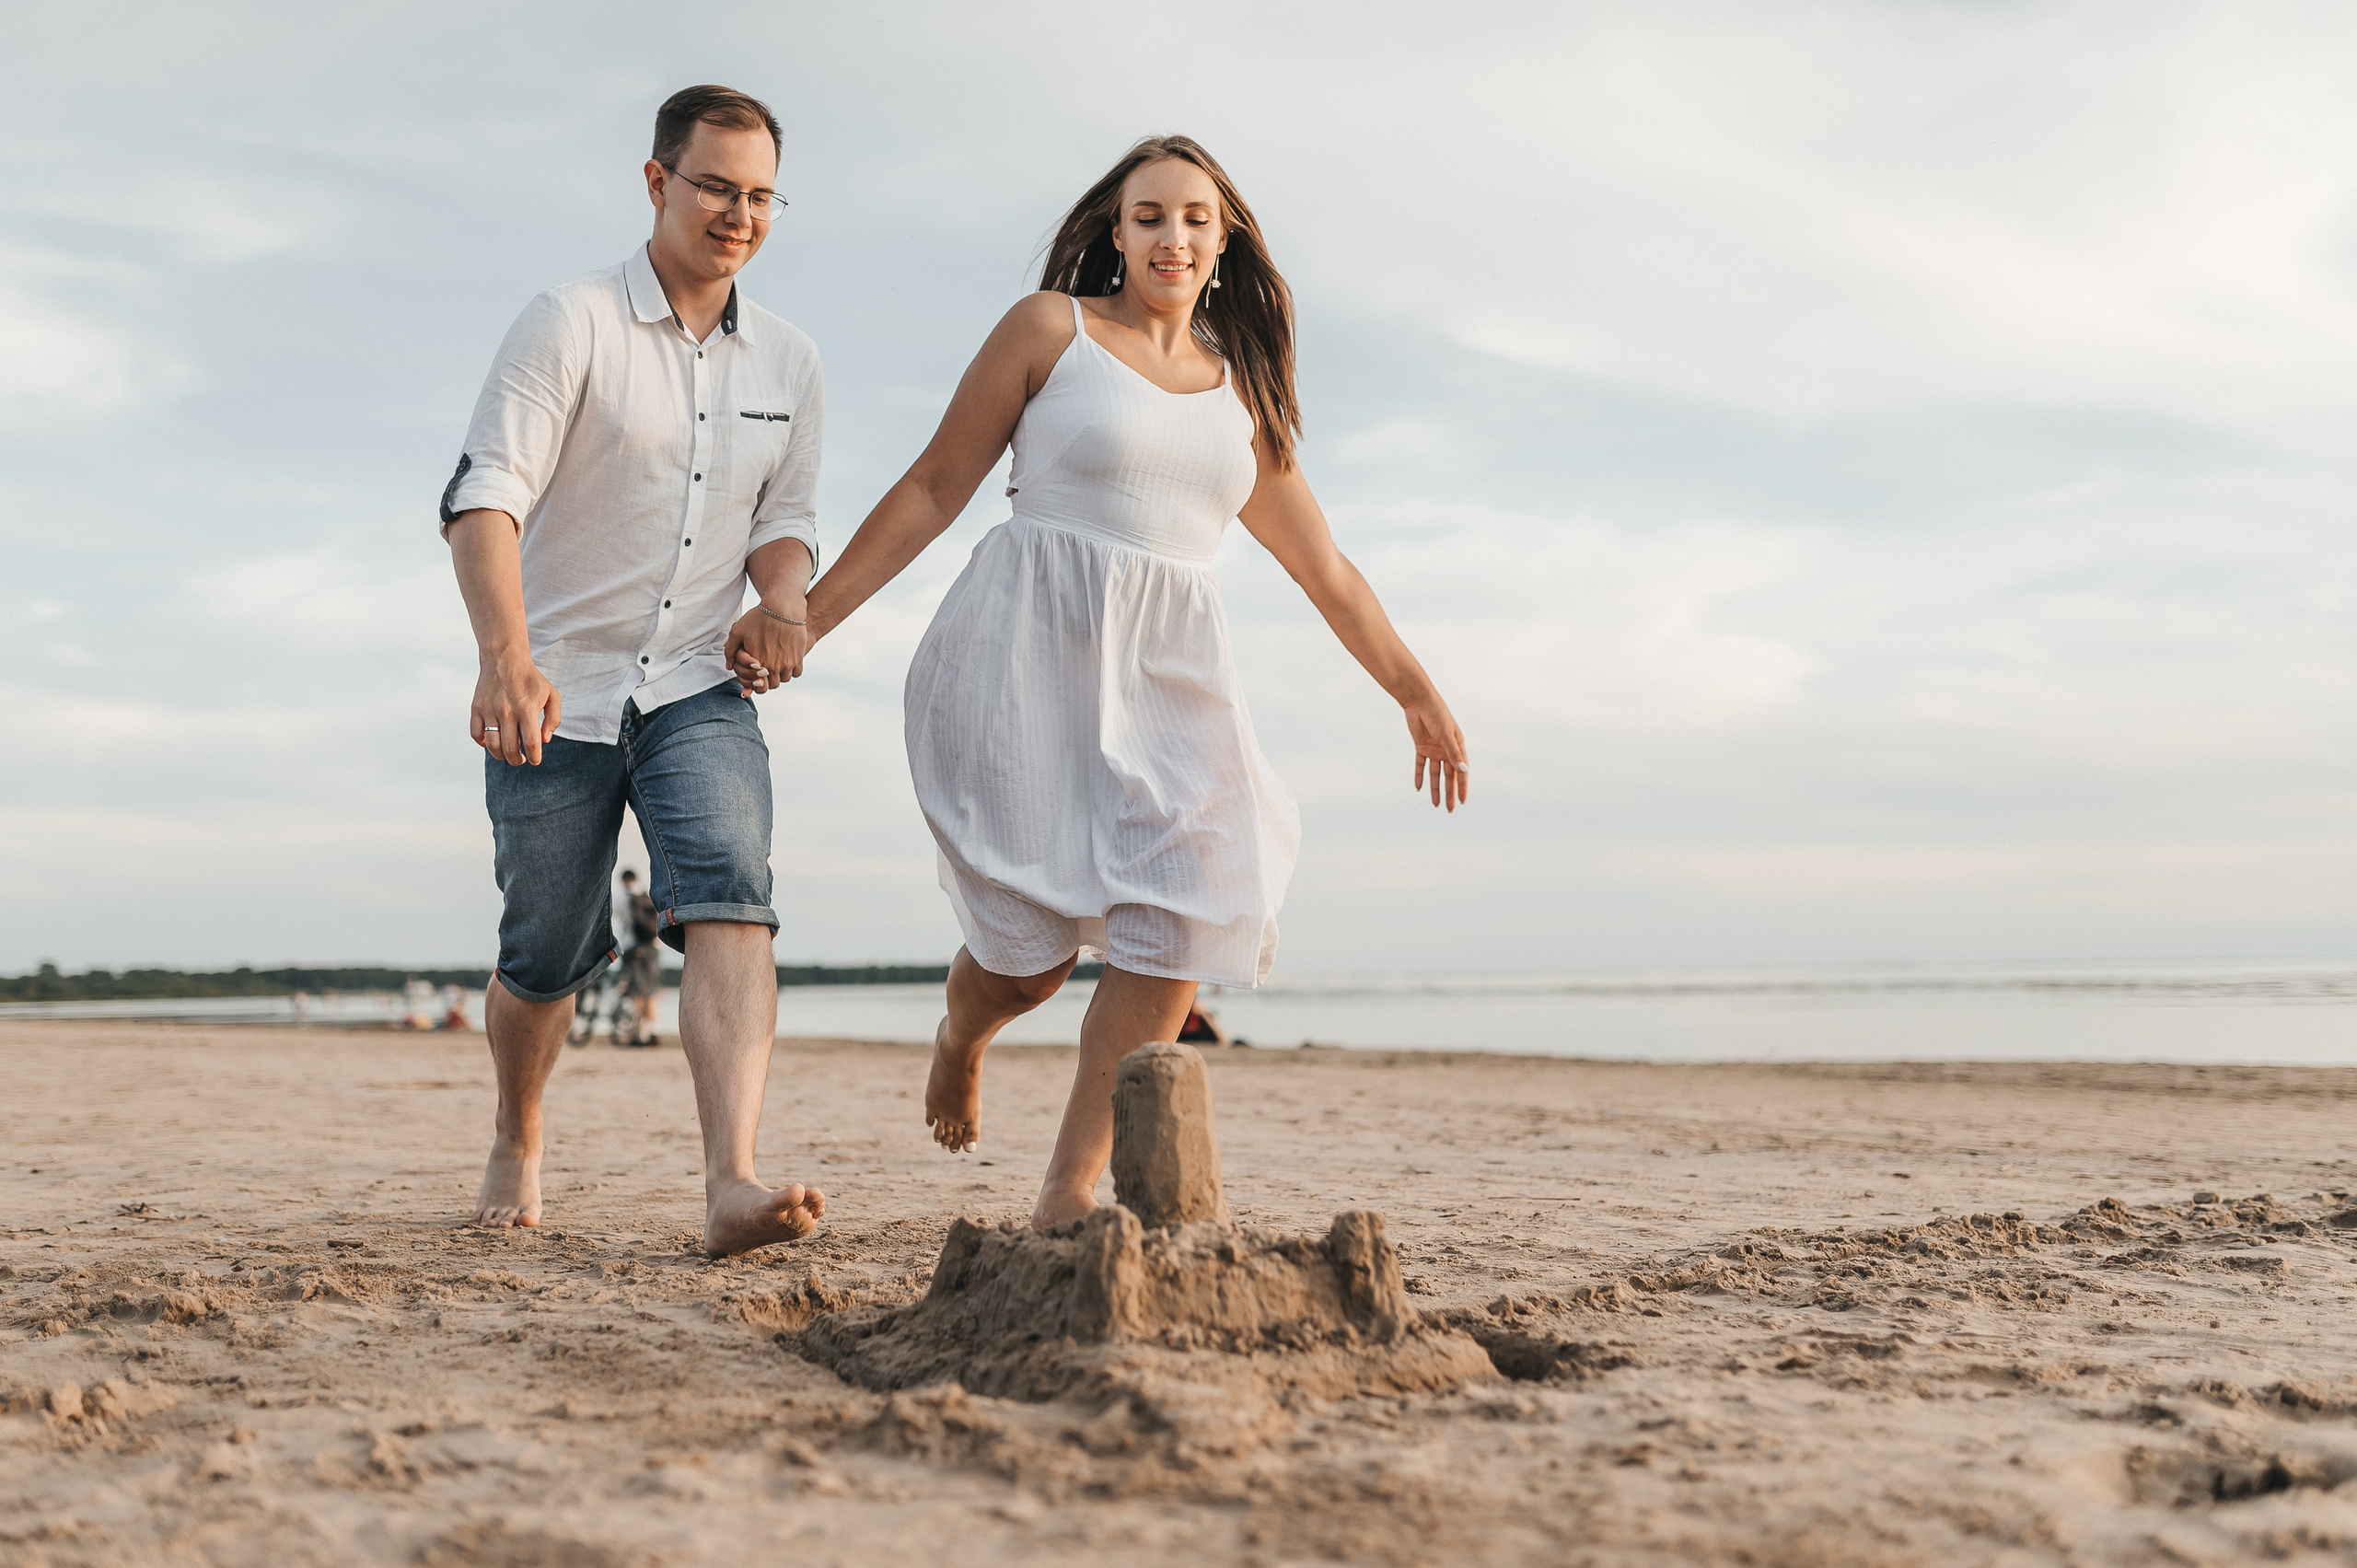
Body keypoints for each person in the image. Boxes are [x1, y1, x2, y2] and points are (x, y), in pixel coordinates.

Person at [793, 135, 1469, 1230]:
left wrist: (1414, 689)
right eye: (1149, 215)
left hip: (1172, 687)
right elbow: (932, 485)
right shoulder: (1049, 330)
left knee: (1183, 920)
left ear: (1224, 239)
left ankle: (1067, 1188)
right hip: (1026, 661)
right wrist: (809, 617)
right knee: (1025, 964)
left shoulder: (1240, 395)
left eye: (1195, 218)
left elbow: (1327, 570)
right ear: (1117, 230)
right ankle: (963, 1032)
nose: (1172, 236)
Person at [440, 84, 826, 1254]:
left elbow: (786, 522)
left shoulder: (792, 361)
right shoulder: (568, 322)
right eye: (716, 187)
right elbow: (485, 497)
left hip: (698, 686)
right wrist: (504, 658)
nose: (739, 214)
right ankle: (517, 1125)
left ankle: (731, 1180)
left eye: (761, 195)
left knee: (731, 891)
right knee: (543, 952)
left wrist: (783, 601)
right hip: (557, 687)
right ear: (658, 182)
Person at [616, 869, 663, 1047]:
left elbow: (617, 915)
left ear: (624, 880)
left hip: (633, 948)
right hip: (653, 947)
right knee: (651, 991)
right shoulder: (650, 895)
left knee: (636, 992)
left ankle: (639, 1033)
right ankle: (653, 1031)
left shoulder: (624, 897)